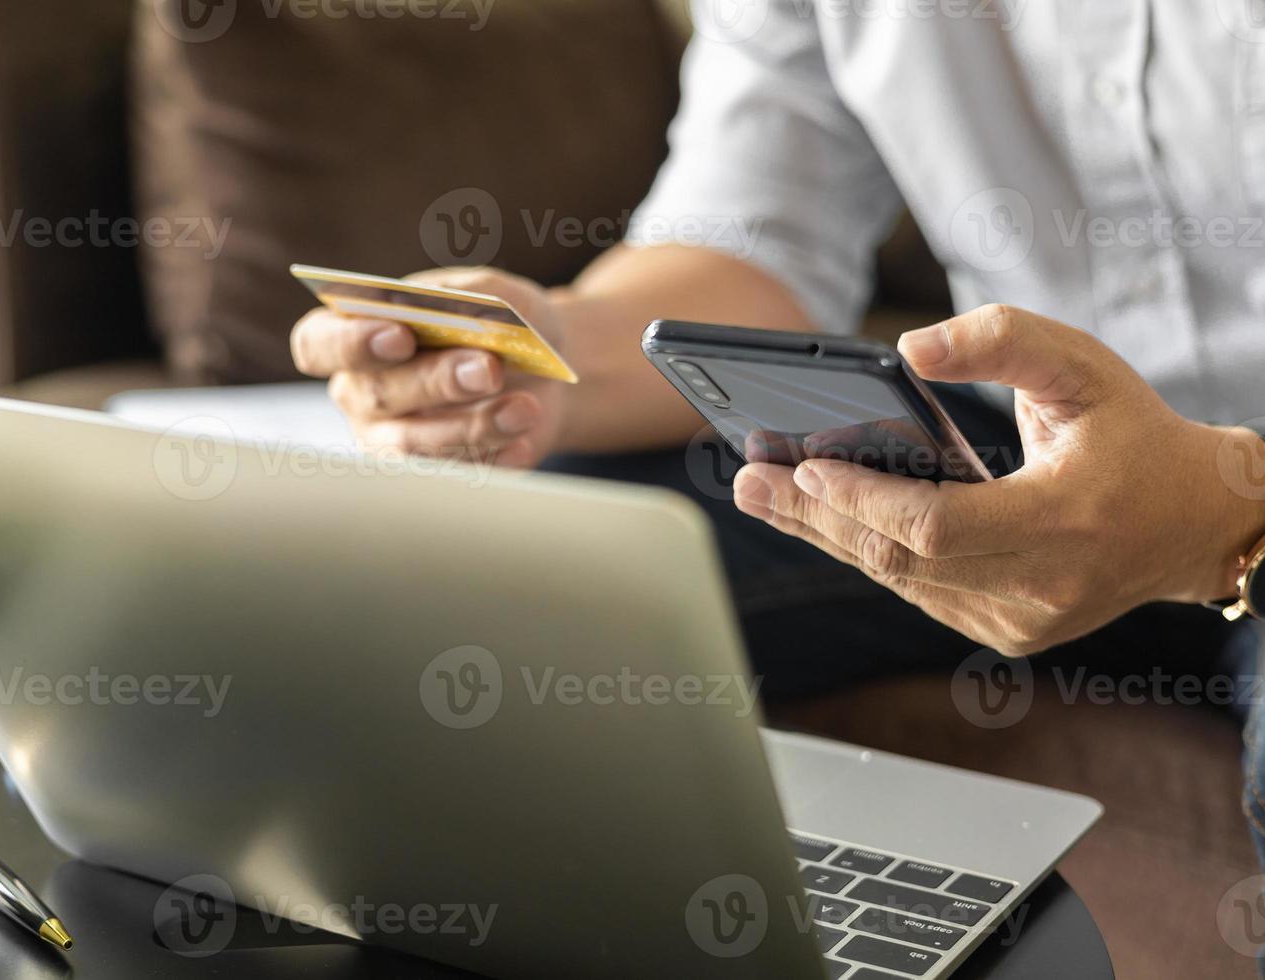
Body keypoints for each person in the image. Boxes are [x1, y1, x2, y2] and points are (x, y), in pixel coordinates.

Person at [291, 0, 1265, 905]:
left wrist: (1225, 514)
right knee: (495, 572)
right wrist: (550, 347)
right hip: (1020, 436)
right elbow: (756, 240)